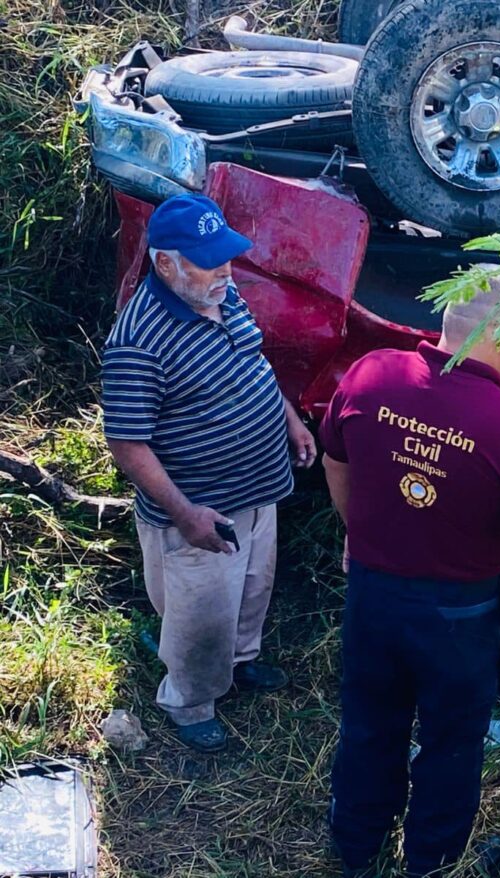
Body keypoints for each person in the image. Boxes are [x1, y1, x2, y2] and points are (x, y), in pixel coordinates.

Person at [319, 272, 500, 878]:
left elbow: (335, 461)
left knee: (368, 723)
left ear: (445, 319)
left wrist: (361, 532)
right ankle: (431, 862)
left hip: (373, 595)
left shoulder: (371, 374)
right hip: (459, 616)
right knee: (451, 742)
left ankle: (356, 850)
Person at [102, 193, 317, 753]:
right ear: (166, 262)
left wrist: (290, 420)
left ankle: (240, 661)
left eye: (226, 255)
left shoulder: (222, 293)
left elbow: (255, 361)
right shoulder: (138, 342)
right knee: (201, 609)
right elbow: (127, 442)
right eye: (208, 259)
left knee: (250, 587)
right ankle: (190, 701)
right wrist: (186, 513)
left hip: (257, 489)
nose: (225, 269)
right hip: (199, 509)